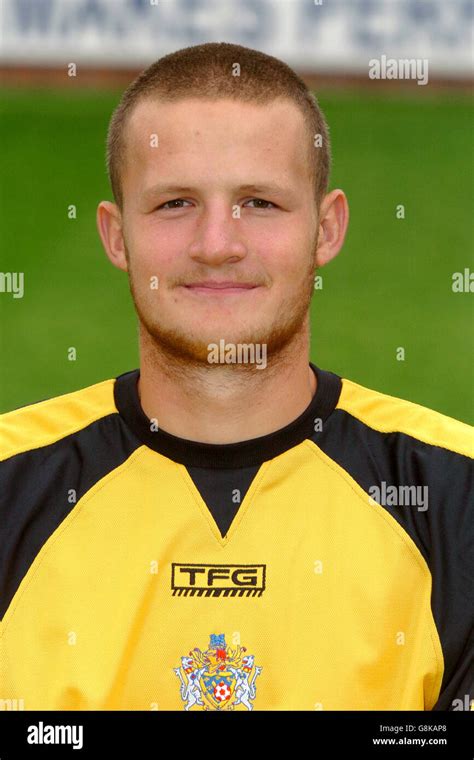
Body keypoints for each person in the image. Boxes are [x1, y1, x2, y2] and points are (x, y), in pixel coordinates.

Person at [0, 42, 472, 712]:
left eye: (259, 202)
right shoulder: (10, 487)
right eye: (174, 204)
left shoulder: (456, 498)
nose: (217, 244)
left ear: (327, 229)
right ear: (115, 236)